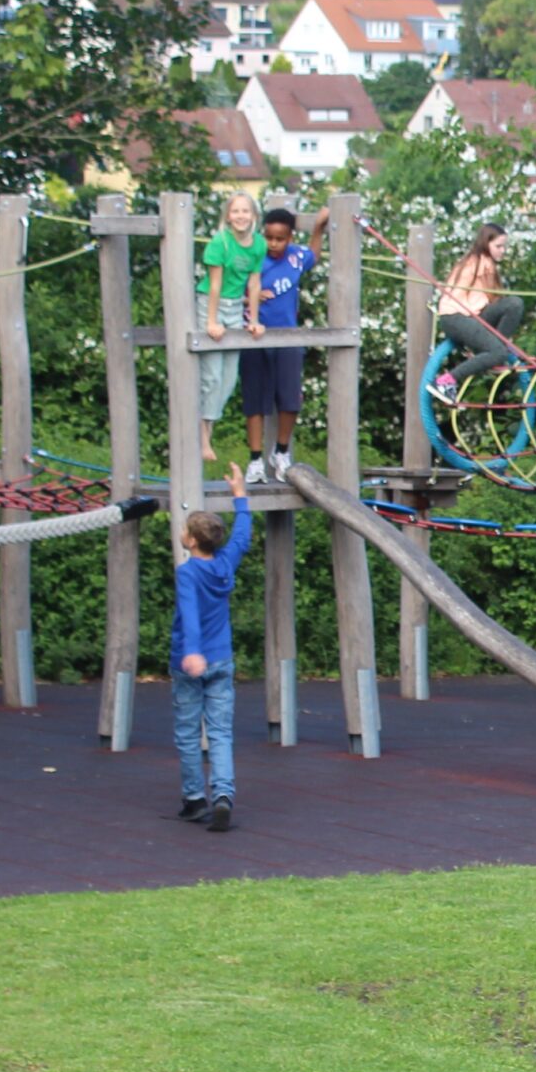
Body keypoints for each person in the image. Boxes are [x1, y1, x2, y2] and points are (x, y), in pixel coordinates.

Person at [171, 463, 254, 833]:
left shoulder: (188, 572)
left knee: (189, 731)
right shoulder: (225, 564)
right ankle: (223, 795)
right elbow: (243, 537)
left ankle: (194, 799)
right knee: (220, 731)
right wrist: (240, 495)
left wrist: (191, 651)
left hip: (190, 660)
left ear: (190, 540)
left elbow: (189, 613)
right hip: (222, 658)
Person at [240, 205, 326, 483]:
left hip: (288, 335)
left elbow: (314, 255)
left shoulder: (295, 258)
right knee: (255, 401)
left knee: (290, 399)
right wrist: (251, 298)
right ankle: (255, 459)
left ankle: (281, 450)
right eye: (269, 237)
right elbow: (230, 289)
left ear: (290, 238)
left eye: (280, 238)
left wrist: (318, 228)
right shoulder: (252, 258)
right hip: (255, 336)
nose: (274, 244)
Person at [194, 193, 267, 463]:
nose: (240, 216)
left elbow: (255, 284)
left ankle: (207, 432)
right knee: (211, 375)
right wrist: (212, 321)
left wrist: (254, 320)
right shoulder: (220, 243)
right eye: (235, 211)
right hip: (211, 303)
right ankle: (202, 437)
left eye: (245, 211)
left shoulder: (258, 244)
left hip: (236, 306)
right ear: (228, 215)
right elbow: (214, 285)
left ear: (254, 216)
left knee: (228, 378)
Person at [430, 223, 525, 391]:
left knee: (513, 304)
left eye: (504, 246)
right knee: (498, 352)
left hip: (473, 316)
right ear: (485, 244)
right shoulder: (480, 263)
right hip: (456, 317)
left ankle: (495, 347)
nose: (502, 251)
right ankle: (447, 380)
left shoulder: (480, 262)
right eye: (498, 246)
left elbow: (495, 301)